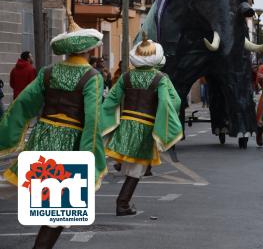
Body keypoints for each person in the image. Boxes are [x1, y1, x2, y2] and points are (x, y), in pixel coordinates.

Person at [0, 13, 106, 249]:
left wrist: (6, 136)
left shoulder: (47, 72)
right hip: (68, 144)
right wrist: (91, 155)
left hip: (42, 137)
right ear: (88, 51)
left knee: (23, 187)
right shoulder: (93, 77)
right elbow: (94, 120)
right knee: (60, 211)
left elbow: (22, 105)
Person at [102, 32, 182, 216]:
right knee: (138, 168)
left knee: (131, 163)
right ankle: (122, 204)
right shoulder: (161, 79)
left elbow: (111, 101)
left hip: (125, 124)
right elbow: (172, 102)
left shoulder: (126, 77)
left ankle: (123, 197)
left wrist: (103, 122)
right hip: (145, 126)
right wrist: (165, 123)